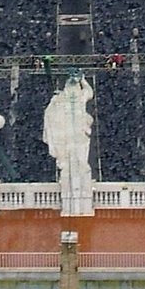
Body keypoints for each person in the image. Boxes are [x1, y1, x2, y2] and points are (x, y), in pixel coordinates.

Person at [43, 75, 94, 207]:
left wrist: (82, 80)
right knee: (69, 160)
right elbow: (49, 114)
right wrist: (54, 102)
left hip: (79, 134)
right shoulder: (61, 99)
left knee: (80, 160)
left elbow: (89, 93)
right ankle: (71, 178)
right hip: (67, 135)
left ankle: (80, 178)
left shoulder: (76, 98)